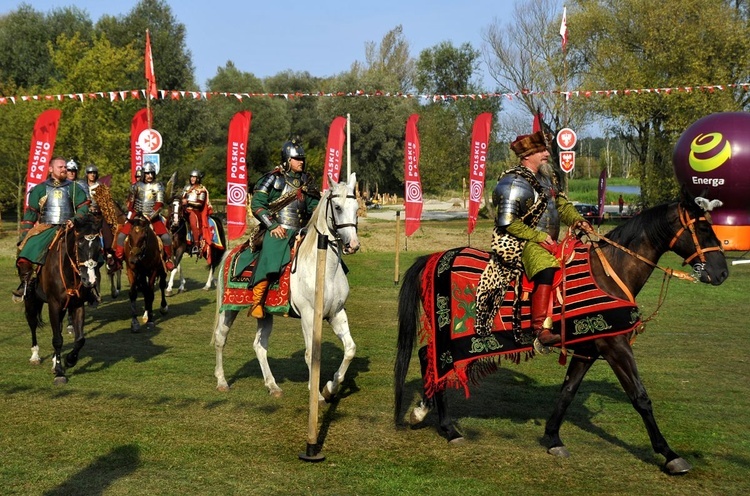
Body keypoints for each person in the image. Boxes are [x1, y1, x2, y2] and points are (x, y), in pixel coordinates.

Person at [474, 130, 590, 346]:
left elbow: (562, 206)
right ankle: (540, 329)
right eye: (541, 150)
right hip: (520, 242)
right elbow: (507, 222)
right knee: (546, 266)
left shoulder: (547, 179)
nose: (546, 154)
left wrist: (577, 220)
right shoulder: (513, 182)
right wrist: (536, 236)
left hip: (548, 241)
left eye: (545, 150)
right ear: (527, 155)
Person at [248, 137, 320, 319]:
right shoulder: (273, 178)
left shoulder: (307, 181)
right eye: (297, 159)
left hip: (303, 229)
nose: (301, 162)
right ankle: (257, 301)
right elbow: (257, 205)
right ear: (288, 160)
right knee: (271, 253)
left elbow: (313, 206)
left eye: (302, 159)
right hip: (279, 228)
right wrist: (272, 225)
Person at [13, 156, 90, 298]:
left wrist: (75, 219)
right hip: (47, 227)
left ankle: (91, 286)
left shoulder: (74, 188)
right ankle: (26, 284)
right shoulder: (40, 189)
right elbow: (31, 213)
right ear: (50, 169)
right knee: (25, 254)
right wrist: (25, 235)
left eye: (65, 167)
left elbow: (84, 207)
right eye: (60, 167)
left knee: (92, 251)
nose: (64, 169)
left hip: (70, 227)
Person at [112, 161, 175, 271]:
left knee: (166, 237)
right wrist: (131, 214)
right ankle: (119, 260)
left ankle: (168, 259)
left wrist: (149, 216)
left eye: (151, 173)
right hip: (136, 216)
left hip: (152, 217)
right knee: (121, 236)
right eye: (147, 173)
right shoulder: (136, 186)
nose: (149, 176)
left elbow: (159, 204)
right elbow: (131, 203)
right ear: (143, 174)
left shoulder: (158, 186)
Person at [181, 170, 211, 255]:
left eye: (194, 177)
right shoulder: (186, 188)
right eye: (191, 177)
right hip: (184, 209)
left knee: (193, 222)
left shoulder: (201, 189)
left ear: (198, 178)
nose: (192, 179)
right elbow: (181, 198)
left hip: (195, 210)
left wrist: (188, 202)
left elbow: (200, 204)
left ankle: (196, 245)